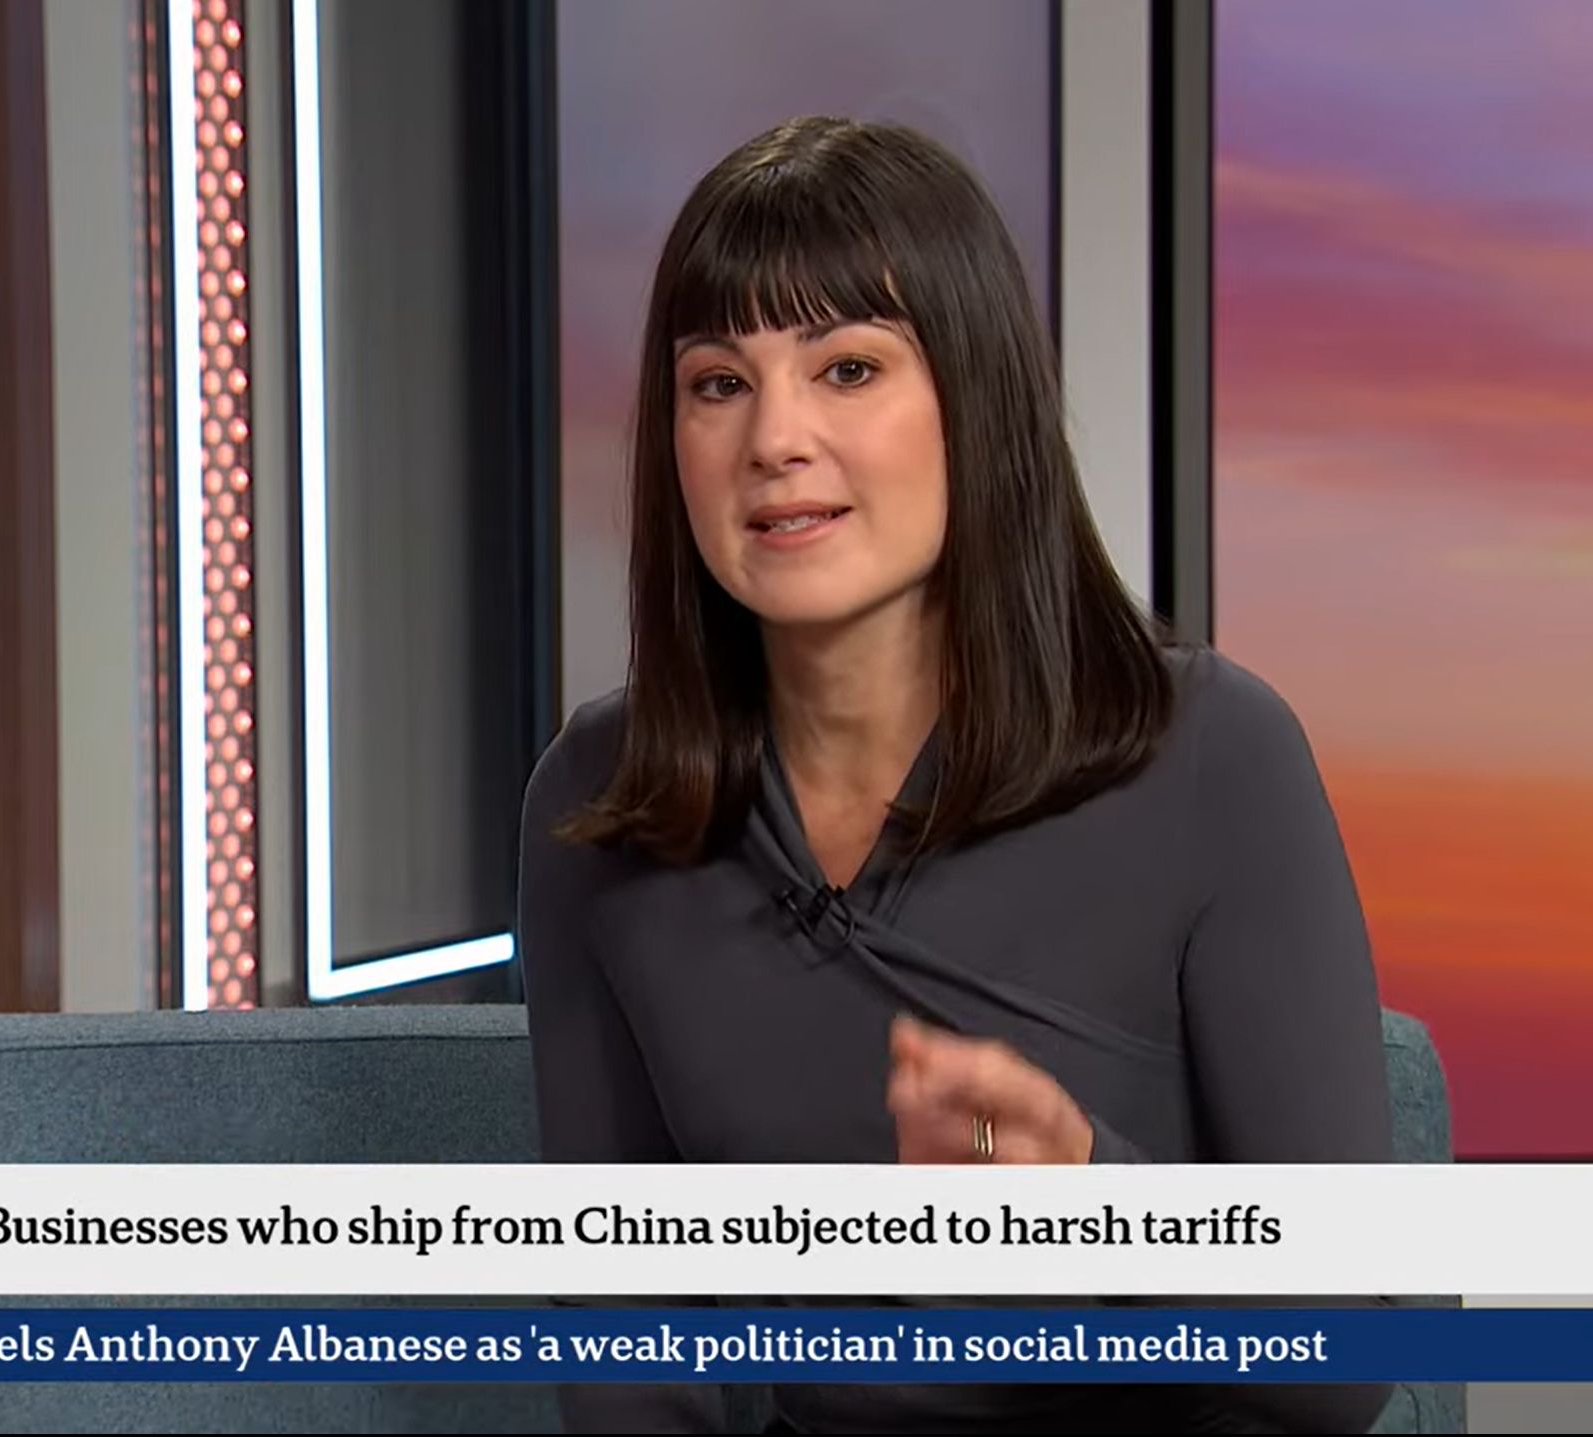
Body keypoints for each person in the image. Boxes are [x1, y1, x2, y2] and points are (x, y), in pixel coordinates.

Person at [518, 115, 1395, 1435]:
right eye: (718, 383)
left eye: (848, 368)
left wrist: (1099, 1205)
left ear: (976, 401)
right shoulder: (603, 803)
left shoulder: (1213, 757)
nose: (775, 438)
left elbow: (1352, 1363)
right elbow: (629, 1352)